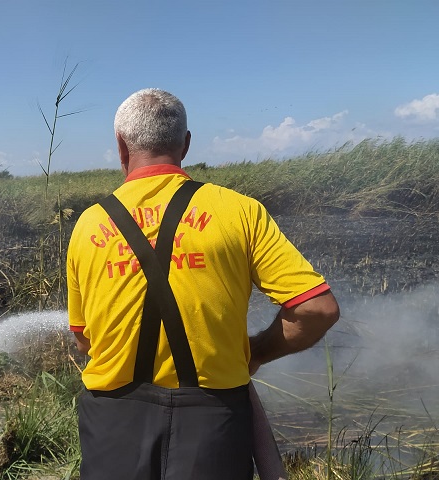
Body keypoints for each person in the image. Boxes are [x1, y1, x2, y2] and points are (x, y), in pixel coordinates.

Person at [66, 88, 340, 480]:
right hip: (214, 421)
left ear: (121, 147)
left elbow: (84, 339)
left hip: (113, 423)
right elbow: (318, 308)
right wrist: (257, 351)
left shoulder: (87, 225)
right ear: (187, 144)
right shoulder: (240, 211)